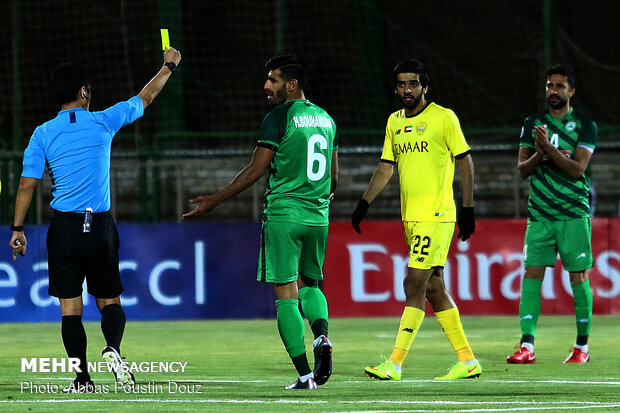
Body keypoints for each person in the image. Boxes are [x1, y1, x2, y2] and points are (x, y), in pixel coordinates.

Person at [9, 47, 182, 392]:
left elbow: (27, 184)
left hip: (64, 229)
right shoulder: (104, 120)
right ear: (84, 92)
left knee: (70, 310)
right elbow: (144, 99)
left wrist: (17, 229)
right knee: (110, 302)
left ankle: (81, 378)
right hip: (98, 225)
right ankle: (113, 349)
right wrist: (168, 67)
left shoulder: (42, 134)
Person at [183, 53, 338, 390]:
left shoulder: (278, 118)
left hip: (284, 215)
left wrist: (214, 200)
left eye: (273, 80)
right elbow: (334, 178)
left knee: (286, 295)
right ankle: (322, 338)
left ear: (292, 85)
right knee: (312, 285)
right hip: (318, 215)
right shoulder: (327, 120)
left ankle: (304, 375)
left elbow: (256, 169)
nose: (266, 86)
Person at [351, 59, 481, 380]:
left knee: (413, 284)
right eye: (401, 84)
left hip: (436, 215)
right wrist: (363, 203)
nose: (406, 90)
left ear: (425, 86)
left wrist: (468, 208)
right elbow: (385, 168)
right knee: (435, 289)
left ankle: (394, 363)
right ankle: (467, 361)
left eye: (413, 83)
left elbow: (465, 161)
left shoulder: (443, 118)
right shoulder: (394, 122)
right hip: (411, 217)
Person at [507, 65, 597, 364]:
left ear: (572, 91)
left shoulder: (585, 125)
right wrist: (537, 154)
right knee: (532, 274)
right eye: (549, 86)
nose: (553, 91)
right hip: (540, 214)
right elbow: (522, 171)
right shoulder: (533, 123)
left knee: (578, 276)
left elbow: (577, 170)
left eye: (560, 86)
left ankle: (581, 347)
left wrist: (548, 149)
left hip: (573, 212)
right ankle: (527, 346)